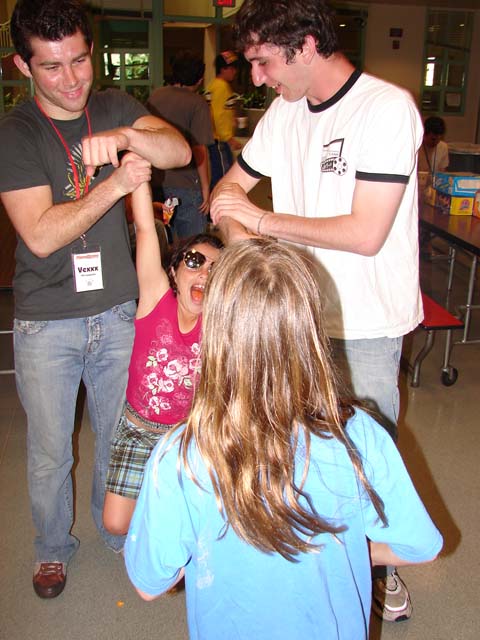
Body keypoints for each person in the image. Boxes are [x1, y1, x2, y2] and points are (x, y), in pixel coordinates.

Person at [209, 0, 424, 623]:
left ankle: (378, 567)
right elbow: (227, 192)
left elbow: (365, 233)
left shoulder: (385, 109)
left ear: (305, 45)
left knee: (366, 459)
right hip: (296, 322)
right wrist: (251, 260)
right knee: (302, 450)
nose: (256, 78)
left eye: (263, 62)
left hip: (365, 325)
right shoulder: (285, 112)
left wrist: (262, 223)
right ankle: (318, 557)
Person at [124, 238, 443, 640]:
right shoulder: (358, 434)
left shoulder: (180, 455)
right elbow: (420, 546)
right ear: (311, 332)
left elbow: (149, 583)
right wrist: (347, 550)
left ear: (218, 333)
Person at [0, 0, 191, 599]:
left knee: (119, 435)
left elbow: (179, 151)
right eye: (51, 66)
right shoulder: (16, 134)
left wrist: (129, 136)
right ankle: (52, 549)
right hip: (47, 322)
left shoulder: (111, 106)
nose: (71, 79)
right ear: (23, 66)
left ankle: (117, 532)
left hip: (118, 311)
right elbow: (41, 233)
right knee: (50, 452)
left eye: (80, 60)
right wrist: (118, 183)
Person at [103, 182, 223, 536]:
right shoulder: (156, 297)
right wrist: (140, 173)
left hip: (189, 434)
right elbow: (145, 228)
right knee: (116, 523)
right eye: (195, 261)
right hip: (137, 429)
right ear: (174, 271)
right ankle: (160, 508)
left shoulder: (221, 322)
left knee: (201, 519)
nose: (204, 273)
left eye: (216, 269)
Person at [147, 50, 215, 238]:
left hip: (156, 183)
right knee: (192, 244)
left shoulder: (155, 97)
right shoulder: (197, 103)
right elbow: (199, 149)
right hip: (187, 185)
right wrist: (206, 188)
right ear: (199, 79)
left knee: (162, 240)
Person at [205, 50, 242, 189]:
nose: (234, 72)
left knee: (219, 176)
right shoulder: (222, 87)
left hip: (216, 139)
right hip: (219, 140)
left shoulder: (214, 85)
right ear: (223, 69)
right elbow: (217, 115)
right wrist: (228, 138)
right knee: (223, 179)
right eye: (231, 68)